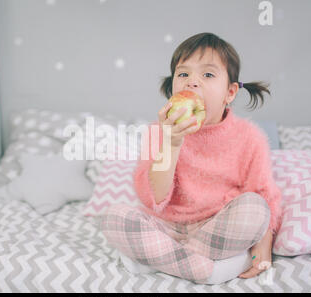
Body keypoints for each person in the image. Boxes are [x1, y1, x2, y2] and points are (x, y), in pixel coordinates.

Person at [99, 32, 283, 284]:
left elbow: (263, 193)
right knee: (114, 217)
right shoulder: (158, 131)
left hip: (217, 227)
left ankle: (159, 262)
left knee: (255, 208)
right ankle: (205, 270)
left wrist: (263, 245)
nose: (192, 82)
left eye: (207, 74)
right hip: (166, 227)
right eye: (183, 74)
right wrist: (171, 143)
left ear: (229, 93)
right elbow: (154, 199)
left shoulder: (249, 136)